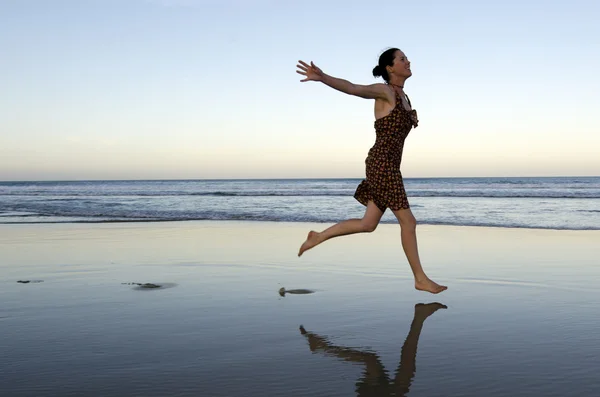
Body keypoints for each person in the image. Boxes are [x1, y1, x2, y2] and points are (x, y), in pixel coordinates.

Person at [295, 48, 447, 294]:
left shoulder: (404, 97)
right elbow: (353, 88)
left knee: (368, 224)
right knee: (408, 222)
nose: (408, 61)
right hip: (382, 165)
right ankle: (420, 279)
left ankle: (318, 237)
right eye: (402, 59)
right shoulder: (385, 91)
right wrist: (323, 77)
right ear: (390, 67)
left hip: (386, 165)